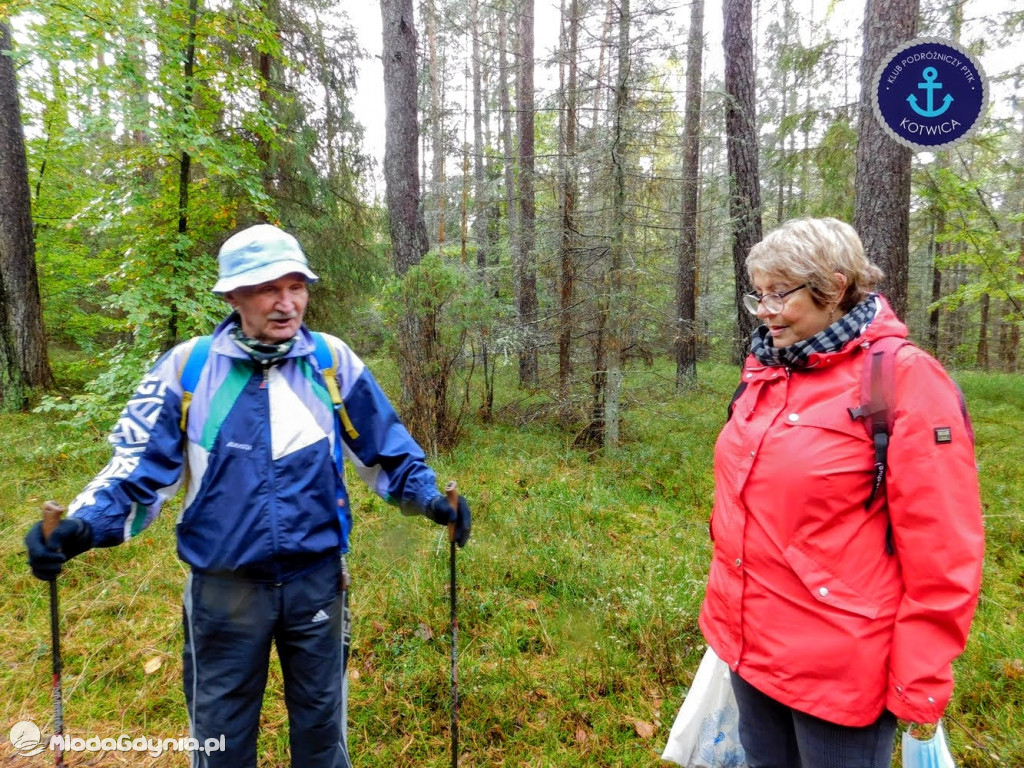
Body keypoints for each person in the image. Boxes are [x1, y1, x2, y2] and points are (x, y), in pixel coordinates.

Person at [25, 223, 472, 768]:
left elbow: (388, 452)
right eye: (267, 289)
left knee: (322, 735)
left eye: (297, 286)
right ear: (233, 296)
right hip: (222, 591)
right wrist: (80, 526)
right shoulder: (188, 369)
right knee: (220, 742)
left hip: (317, 584)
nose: (287, 304)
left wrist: (430, 499)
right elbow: (137, 472)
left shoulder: (331, 362)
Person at [698, 217, 984, 768]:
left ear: (832, 287)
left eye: (779, 294)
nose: (764, 311)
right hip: (748, 643)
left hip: (840, 667)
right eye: (757, 294)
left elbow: (943, 551)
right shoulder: (768, 368)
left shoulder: (904, 381)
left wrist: (919, 681)